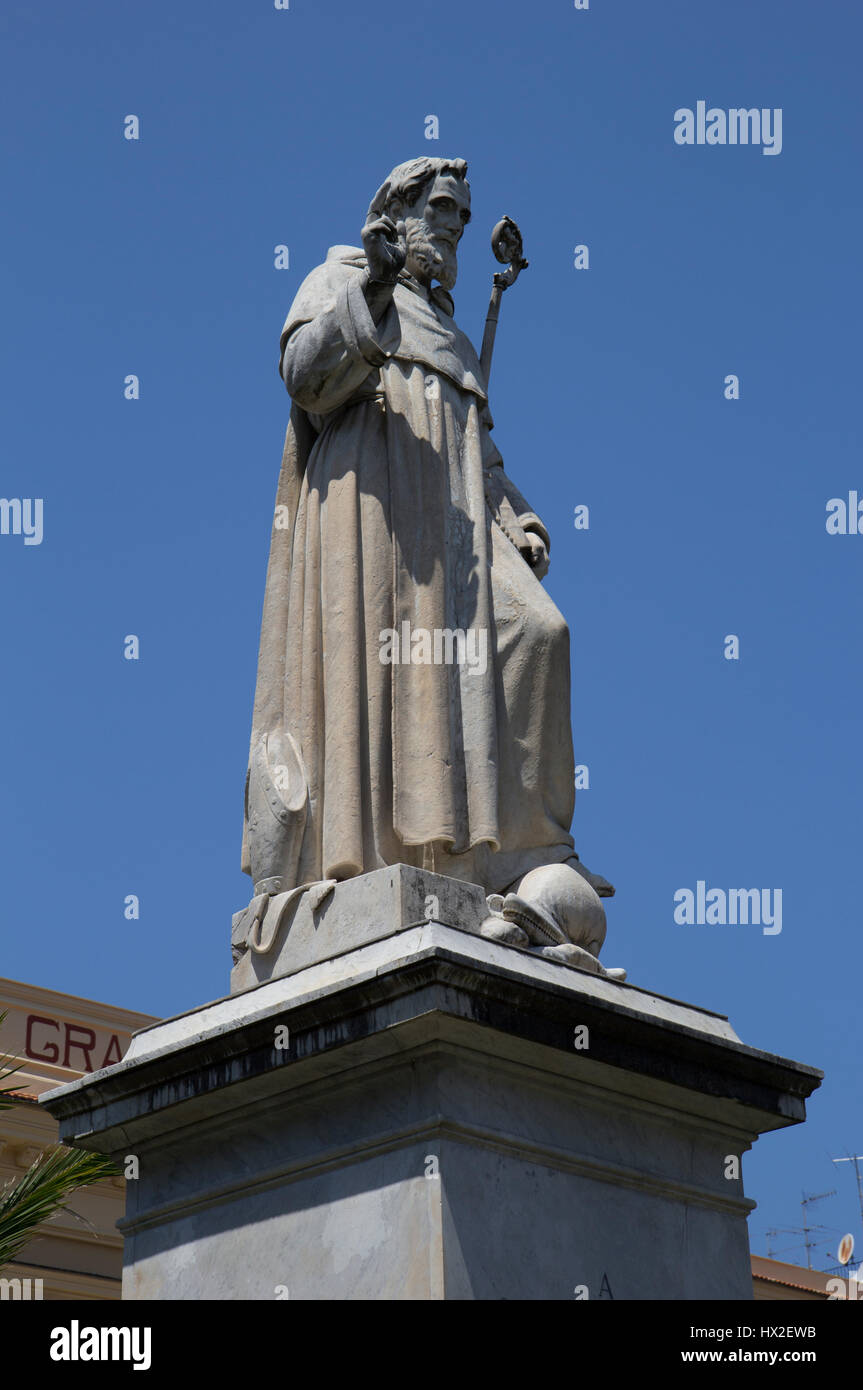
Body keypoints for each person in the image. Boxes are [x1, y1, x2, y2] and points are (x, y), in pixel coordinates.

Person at [241, 156, 619, 976]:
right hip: (374, 505)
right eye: (441, 209)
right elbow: (306, 376)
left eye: (460, 214)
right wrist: (372, 286)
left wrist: (514, 514)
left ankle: (529, 858)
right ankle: (381, 853)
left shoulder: (450, 328)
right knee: (387, 677)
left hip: (453, 515)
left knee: (539, 632)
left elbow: (480, 453)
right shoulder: (343, 274)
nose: (451, 225)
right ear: (398, 213)